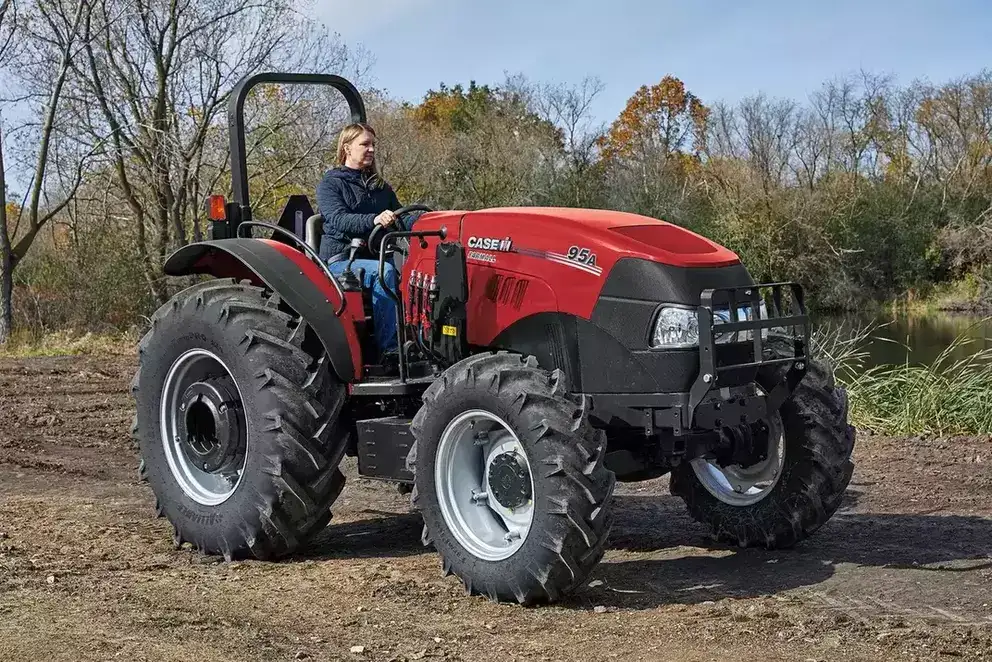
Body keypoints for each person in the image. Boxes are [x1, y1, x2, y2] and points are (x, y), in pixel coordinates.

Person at [315, 122, 418, 360]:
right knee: (385, 272)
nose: (371, 149)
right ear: (347, 148)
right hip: (341, 262)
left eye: (373, 144)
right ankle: (391, 351)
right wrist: (375, 220)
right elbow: (339, 219)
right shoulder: (331, 184)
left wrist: (432, 221)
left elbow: (401, 219)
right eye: (365, 144)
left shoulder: (380, 187)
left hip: (377, 255)